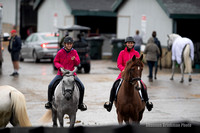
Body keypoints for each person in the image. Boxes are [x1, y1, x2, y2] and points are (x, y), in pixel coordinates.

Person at [104, 36, 153, 112]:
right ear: (126, 44)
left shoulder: (136, 53)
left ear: (133, 44)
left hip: (134, 75)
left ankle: (147, 102)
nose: (130, 44)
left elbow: (139, 63)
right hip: (123, 75)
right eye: (129, 43)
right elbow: (119, 64)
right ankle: (110, 103)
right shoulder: (122, 53)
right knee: (115, 85)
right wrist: (123, 70)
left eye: (131, 43)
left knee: (143, 86)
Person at [45, 36, 87, 111]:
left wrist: (75, 59)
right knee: (50, 85)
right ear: (64, 44)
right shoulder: (60, 52)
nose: (69, 45)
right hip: (61, 74)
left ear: (72, 44)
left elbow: (78, 62)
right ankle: (49, 102)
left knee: (82, 87)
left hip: (72, 74)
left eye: (70, 44)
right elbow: (55, 61)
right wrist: (60, 67)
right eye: (68, 44)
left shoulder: (74, 52)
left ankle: (80, 104)